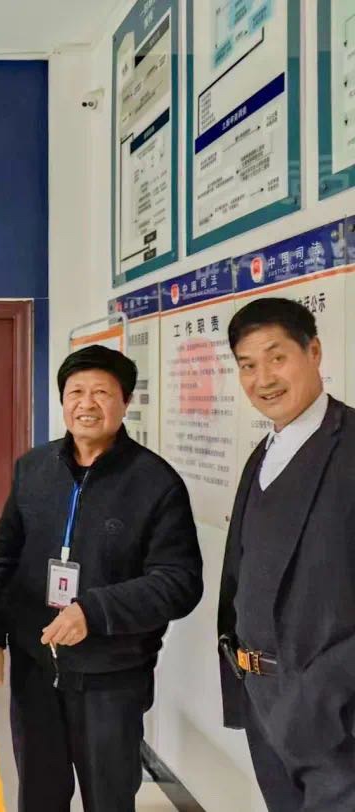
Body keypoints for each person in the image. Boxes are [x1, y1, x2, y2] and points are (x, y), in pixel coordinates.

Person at [0, 344, 202, 812]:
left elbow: (179, 582)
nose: (87, 403)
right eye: (76, 392)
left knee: (109, 798)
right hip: (36, 669)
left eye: (101, 392)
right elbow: (5, 556)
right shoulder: (33, 469)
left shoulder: (155, 483)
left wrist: (95, 611)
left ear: (125, 401)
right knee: (39, 795)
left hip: (112, 676)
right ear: (62, 401)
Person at [218, 298, 355, 811]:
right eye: (248, 365)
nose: (263, 379)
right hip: (263, 700)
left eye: (277, 358)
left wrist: (322, 694)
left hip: (336, 717)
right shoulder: (265, 452)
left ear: (313, 352)